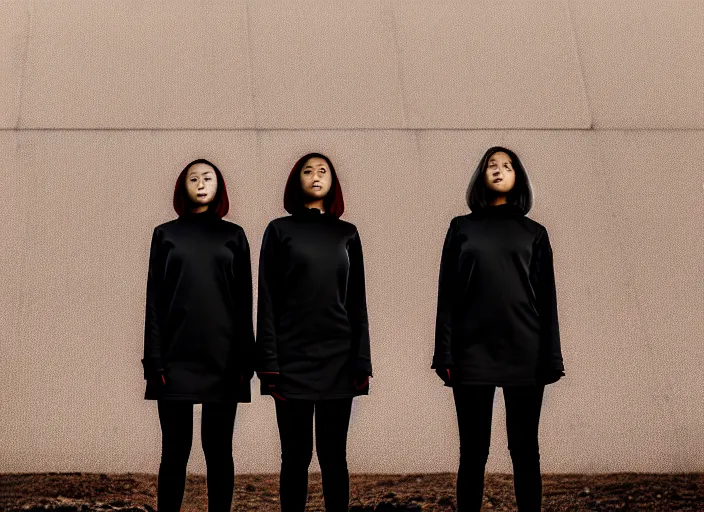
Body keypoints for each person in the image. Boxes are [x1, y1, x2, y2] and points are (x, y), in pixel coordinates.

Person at [432, 147, 565, 512]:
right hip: (471, 352)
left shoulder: (535, 234)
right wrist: (444, 352)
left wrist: (551, 358)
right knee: (472, 453)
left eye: (507, 166)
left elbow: (547, 300)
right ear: (481, 175)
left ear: (518, 177)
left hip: (526, 352)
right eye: (492, 165)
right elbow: (448, 295)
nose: (499, 170)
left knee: (525, 450)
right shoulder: (462, 228)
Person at [256, 152, 373, 512]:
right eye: (308, 170)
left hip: (339, 358)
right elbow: (267, 300)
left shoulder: (347, 233)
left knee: (334, 455)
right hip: (291, 360)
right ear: (297, 181)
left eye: (323, 170)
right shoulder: (279, 230)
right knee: (294, 456)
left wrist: (362, 361)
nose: (316, 175)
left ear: (333, 182)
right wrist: (269, 364)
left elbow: (357, 303)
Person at [141, 159, 255, 512]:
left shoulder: (234, 236)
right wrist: (154, 358)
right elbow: (154, 302)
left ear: (220, 186)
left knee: (219, 450)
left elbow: (243, 304)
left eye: (208, 178)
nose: (201, 183)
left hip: (224, 359)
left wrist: (246, 359)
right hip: (174, 358)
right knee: (175, 450)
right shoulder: (165, 235)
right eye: (194, 178)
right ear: (182, 187)